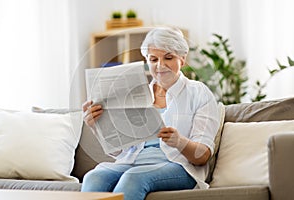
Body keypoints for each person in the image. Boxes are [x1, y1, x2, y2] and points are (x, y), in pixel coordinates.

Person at [81, 27, 220, 200]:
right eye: (153, 59)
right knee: (94, 177)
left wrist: (179, 142)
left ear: (182, 59)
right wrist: (97, 126)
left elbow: (203, 156)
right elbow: (118, 151)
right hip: (131, 162)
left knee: (133, 178)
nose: (160, 65)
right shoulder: (136, 94)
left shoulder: (198, 92)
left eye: (168, 58)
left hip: (177, 165)